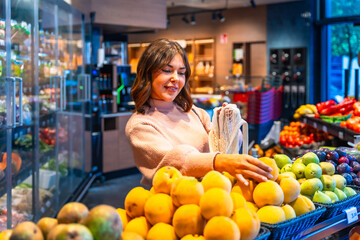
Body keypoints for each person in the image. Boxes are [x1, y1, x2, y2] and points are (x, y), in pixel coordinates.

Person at [125, 38, 272, 186]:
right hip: (175, 203)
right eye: (167, 70)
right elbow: (174, 163)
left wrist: (227, 125)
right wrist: (219, 161)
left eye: (181, 73)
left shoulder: (194, 112)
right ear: (147, 74)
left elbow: (226, 147)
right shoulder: (140, 125)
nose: (175, 78)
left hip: (214, 194)